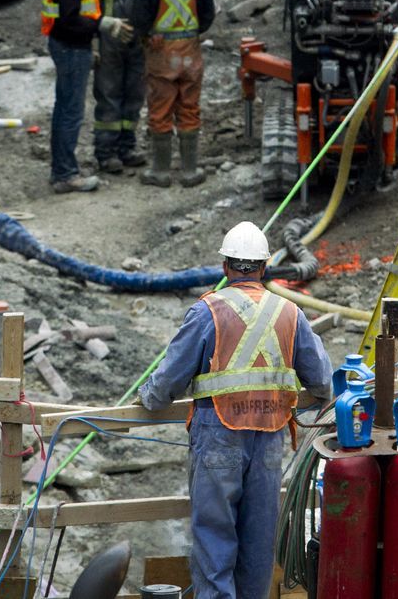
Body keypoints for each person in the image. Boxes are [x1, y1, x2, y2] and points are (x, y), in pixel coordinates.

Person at [137, 221, 332, 599]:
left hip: (218, 435)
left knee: (214, 538)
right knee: (259, 541)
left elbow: (168, 381)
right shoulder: (289, 312)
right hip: (270, 437)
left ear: (226, 266)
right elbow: (322, 380)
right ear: (264, 267)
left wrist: (147, 398)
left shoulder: (207, 310)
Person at [41, 0, 134, 193]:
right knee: (70, 112)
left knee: (65, 109)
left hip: (71, 46)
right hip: (70, 48)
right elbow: (69, 19)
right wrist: (103, 24)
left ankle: (62, 170)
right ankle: (65, 175)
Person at [130, 0, 215, 188]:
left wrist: (148, 36)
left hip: (161, 54)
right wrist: (189, 34)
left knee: (160, 109)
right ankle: (190, 172)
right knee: (190, 108)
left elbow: (140, 19)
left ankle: (161, 171)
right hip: (190, 53)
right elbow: (208, 15)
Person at [91, 0, 151, 173]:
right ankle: (105, 152)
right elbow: (90, 9)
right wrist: (95, 41)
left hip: (139, 42)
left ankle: (127, 147)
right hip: (109, 42)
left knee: (134, 96)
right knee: (108, 95)